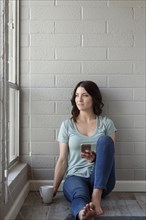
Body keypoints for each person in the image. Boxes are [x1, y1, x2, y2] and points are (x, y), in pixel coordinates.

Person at [53, 80, 117, 220]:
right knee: (80, 194)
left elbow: (109, 157)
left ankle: (96, 196)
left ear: (94, 98)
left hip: (101, 180)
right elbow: (63, 160)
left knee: (105, 141)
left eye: (85, 95)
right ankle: (83, 213)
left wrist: (95, 159)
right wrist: (53, 189)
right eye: (77, 95)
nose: (79, 99)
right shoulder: (67, 125)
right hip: (75, 177)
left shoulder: (107, 123)